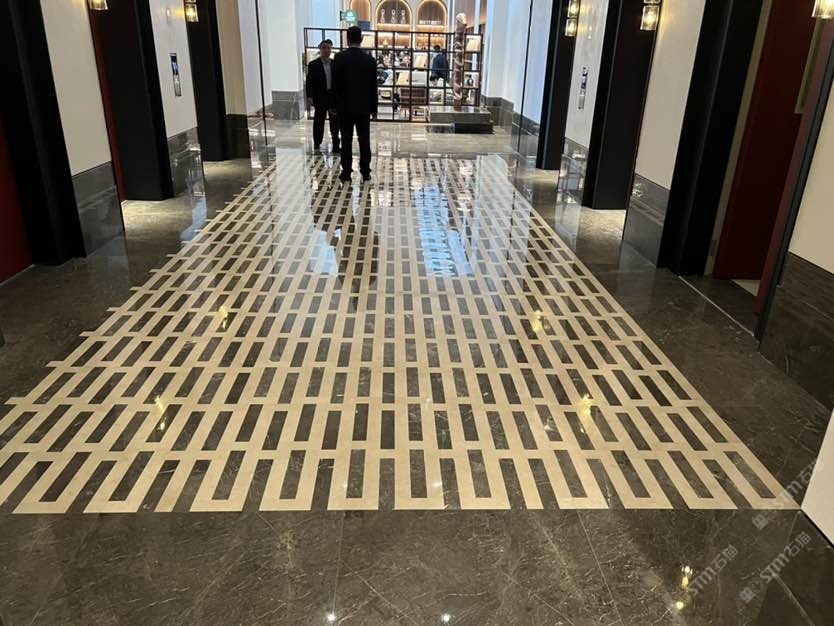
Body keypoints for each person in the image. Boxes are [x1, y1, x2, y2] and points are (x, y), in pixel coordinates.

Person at [332, 26, 378, 183]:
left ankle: (346, 172)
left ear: (347, 39)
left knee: (346, 140)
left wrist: (334, 105)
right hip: (363, 108)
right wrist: (374, 108)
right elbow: (373, 86)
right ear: (361, 39)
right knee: (364, 139)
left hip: (344, 107)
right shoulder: (369, 60)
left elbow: (335, 84)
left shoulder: (339, 58)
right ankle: (365, 171)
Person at [305, 39, 340, 153]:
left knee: (334, 121)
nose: (326, 50)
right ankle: (317, 142)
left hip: (332, 96)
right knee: (319, 120)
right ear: (320, 50)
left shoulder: (335, 64)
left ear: (331, 50)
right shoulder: (313, 64)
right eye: (324, 48)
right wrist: (310, 96)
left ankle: (336, 144)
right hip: (320, 96)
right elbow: (309, 82)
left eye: (328, 48)